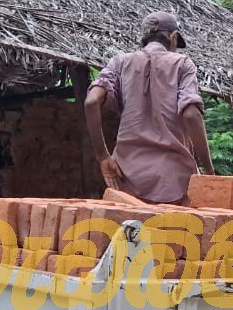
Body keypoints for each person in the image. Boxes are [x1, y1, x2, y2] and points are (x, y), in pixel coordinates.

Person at [84, 11, 215, 205]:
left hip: (127, 179)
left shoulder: (119, 62)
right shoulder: (182, 64)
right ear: (173, 37)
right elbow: (191, 115)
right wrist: (209, 171)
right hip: (174, 181)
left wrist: (103, 156)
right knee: (174, 235)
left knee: (130, 234)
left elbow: (91, 102)